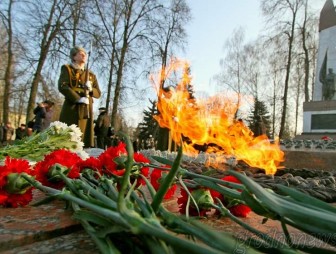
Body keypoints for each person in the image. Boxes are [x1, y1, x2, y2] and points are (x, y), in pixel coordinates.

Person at [58, 46, 101, 148]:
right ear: (74, 56)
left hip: (87, 107)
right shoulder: (68, 69)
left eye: (85, 54)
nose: (84, 56)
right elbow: (63, 86)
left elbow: (98, 93)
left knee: (84, 136)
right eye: (80, 54)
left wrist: (90, 89)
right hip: (72, 106)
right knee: (70, 134)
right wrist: (77, 98)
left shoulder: (90, 74)